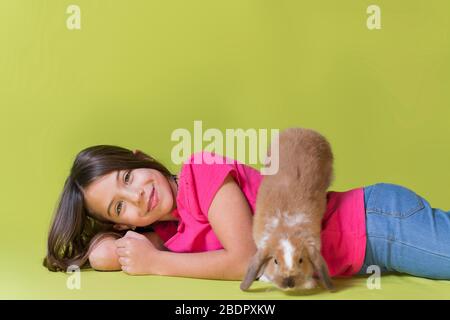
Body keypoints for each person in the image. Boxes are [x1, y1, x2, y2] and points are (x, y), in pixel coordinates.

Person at [43, 145, 450, 281]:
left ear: (140, 158)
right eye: (120, 207)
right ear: (121, 224)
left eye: (128, 177)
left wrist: (156, 264)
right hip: (365, 253)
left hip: (377, 224)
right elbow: (103, 255)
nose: (138, 196)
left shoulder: (200, 173)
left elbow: (245, 259)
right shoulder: (175, 231)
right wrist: (109, 243)